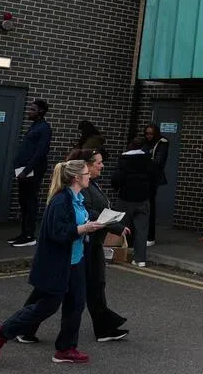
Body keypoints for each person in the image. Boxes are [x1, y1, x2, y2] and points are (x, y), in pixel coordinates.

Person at [0, 160, 106, 364]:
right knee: (47, 306)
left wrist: (93, 224)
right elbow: (57, 233)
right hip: (58, 265)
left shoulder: (78, 198)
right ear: (76, 177)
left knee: (76, 305)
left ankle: (66, 349)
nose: (89, 176)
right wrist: (83, 229)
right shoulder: (60, 201)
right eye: (86, 173)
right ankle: (1, 332)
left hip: (75, 261)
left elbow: (79, 220)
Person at [65, 149, 130, 342]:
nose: (102, 166)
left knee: (96, 285)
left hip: (93, 243)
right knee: (53, 293)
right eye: (98, 163)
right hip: (85, 244)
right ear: (87, 165)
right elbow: (89, 212)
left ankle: (104, 328)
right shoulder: (81, 186)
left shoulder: (91, 183)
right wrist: (115, 225)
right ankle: (23, 326)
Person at [8, 100, 51, 248]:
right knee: (23, 201)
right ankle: (24, 233)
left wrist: (26, 170)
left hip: (32, 170)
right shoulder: (35, 126)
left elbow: (40, 152)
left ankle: (29, 235)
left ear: (40, 112)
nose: (29, 111)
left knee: (30, 201)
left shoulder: (44, 128)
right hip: (24, 169)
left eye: (33, 109)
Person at [110, 138, 154, 267]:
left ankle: (114, 254)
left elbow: (116, 179)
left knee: (118, 226)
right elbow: (154, 177)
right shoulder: (148, 160)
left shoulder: (124, 160)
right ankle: (140, 259)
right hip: (143, 199)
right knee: (142, 230)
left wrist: (117, 188)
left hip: (125, 198)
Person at [143, 124, 169, 246]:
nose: (148, 136)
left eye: (151, 134)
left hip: (153, 178)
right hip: (145, 177)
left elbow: (158, 161)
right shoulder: (145, 143)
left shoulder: (162, 143)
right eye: (147, 133)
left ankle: (150, 236)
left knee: (150, 206)